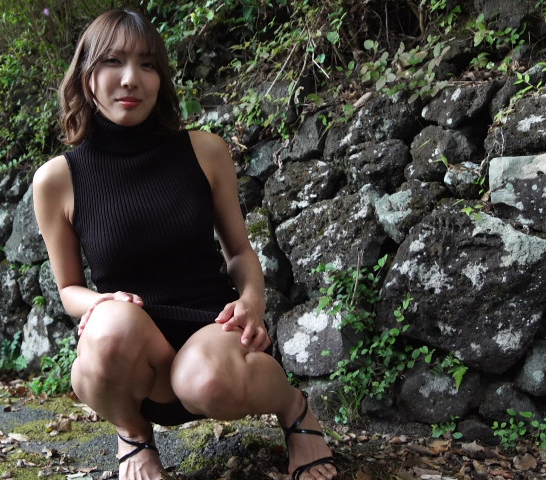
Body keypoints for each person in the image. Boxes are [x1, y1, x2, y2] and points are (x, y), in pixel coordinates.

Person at [32, 8, 337, 480]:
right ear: (86, 75)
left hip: (211, 333)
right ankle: (134, 435)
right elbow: (69, 288)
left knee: (205, 380)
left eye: (147, 64)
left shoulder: (205, 151)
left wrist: (252, 303)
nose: (130, 79)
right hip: (134, 353)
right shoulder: (57, 180)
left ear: (161, 79)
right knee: (107, 329)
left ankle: (295, 409)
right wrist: (103, 304)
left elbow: (239, 252)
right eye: (113, 62)